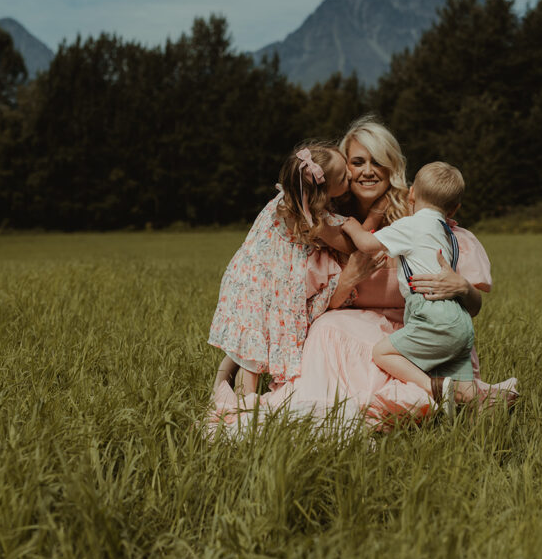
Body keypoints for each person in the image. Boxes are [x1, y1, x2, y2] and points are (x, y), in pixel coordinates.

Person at [209, 117, 517, 432]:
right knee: (326, 328)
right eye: (357, 162)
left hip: (415, 331)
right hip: (354, 330)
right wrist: (348, 279)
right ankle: (436, 396)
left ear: (391, 168)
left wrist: (463, 287)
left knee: (365, 351)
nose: (367, 170)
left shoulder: (421, 222)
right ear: (340, 172)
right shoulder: (323, 225)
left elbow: (474, 307)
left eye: (377, 162)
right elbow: (302, 311)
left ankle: (444, 395)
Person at [208, 141, 353, 395]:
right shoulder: (315, 220)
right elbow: (349, 246)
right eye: (343, 176)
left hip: (248, 278)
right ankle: (243, 408)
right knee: (251, 362)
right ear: (323, 190)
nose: (351, 175)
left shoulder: (285, 200)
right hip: (273, 289)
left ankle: (216, 391)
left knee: (244, 344)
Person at [342, 161, 474, 417]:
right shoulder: (447, 231)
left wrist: (352, 226)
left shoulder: (411, 225)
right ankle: (486, 403)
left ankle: (432, 388)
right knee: (466, 390)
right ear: (455, 208)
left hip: (433, 317)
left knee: (382, 352)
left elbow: (368, 244)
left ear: (411, 194)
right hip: (461, 321)